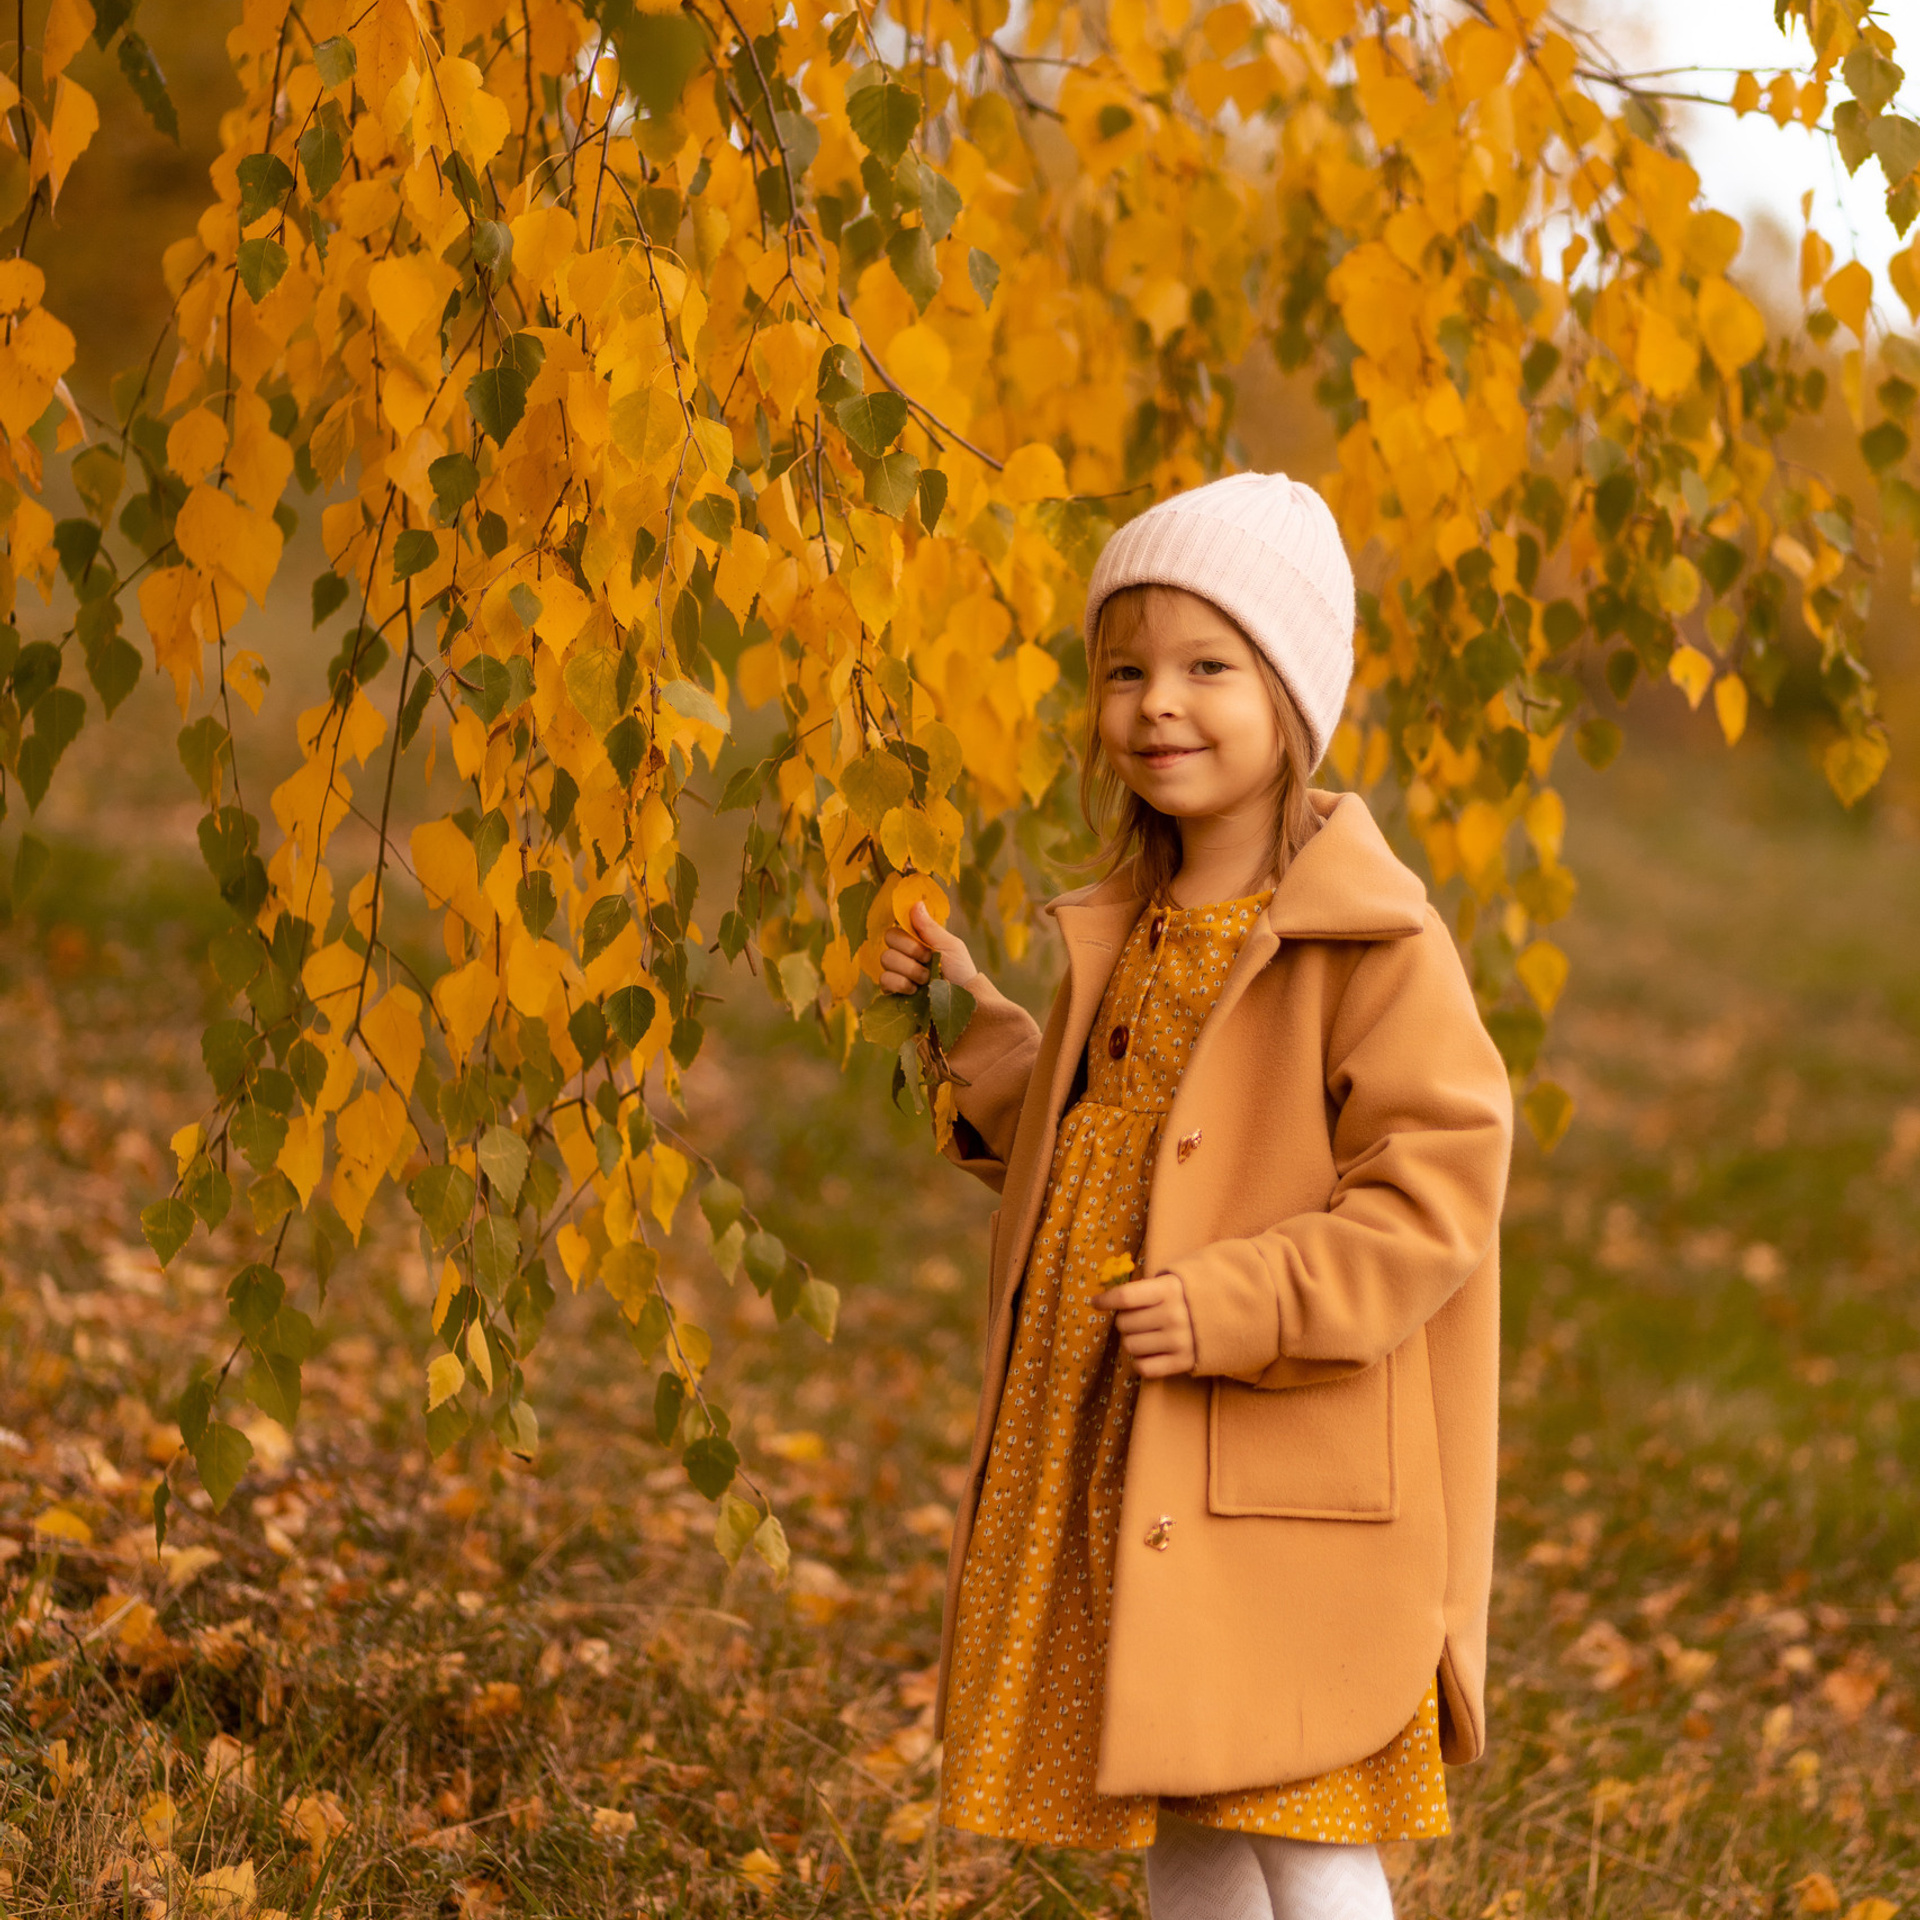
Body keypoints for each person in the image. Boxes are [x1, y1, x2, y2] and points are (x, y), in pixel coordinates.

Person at [878, 472, 1515, 1920]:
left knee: (1300, 1809)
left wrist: (1239, 1301)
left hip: (1277, 1443)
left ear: (1290, 694)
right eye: (1127, 669)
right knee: (1187, 1798)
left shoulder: (1372, 942)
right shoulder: (1141, 922)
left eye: (1207, 665)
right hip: (1133, 1447)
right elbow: (1100, 1136)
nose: (1157, 702)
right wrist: (973, 1036)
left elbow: (1437, 1194)